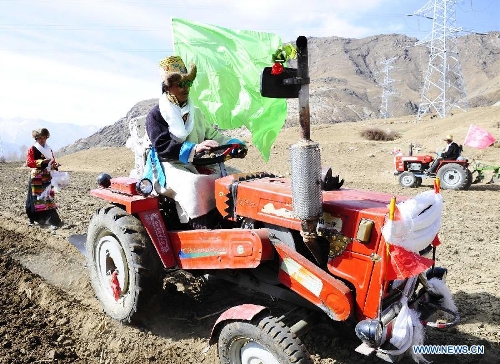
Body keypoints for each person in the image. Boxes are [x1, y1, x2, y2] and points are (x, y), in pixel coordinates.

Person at [145, 55, 246, 229]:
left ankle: (234, 222)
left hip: (196, 161)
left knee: (238, 178)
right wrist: (195, 148)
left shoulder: (196, 112)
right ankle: (202, 227)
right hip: (169, 165)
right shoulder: (155, 115)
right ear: (167, 87)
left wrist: (233, 143)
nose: (186, 88)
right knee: (195, 184)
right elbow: (162, 146)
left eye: (188, 83)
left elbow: (212, 134)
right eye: (180, 84)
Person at [25, 128, 63, 228]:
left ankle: (51, 221)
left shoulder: (49, 149)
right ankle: (32, 219)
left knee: (47, 198)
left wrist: (55, 165)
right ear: (36, 138)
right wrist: (41, 162)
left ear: (47, 138)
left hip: (47, 176)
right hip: (36, 176)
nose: (42, 140)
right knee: (35, 199)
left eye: (44, 138)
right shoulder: (32, 149)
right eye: (40, 138)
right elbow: (29, 162)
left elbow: (52, 162)